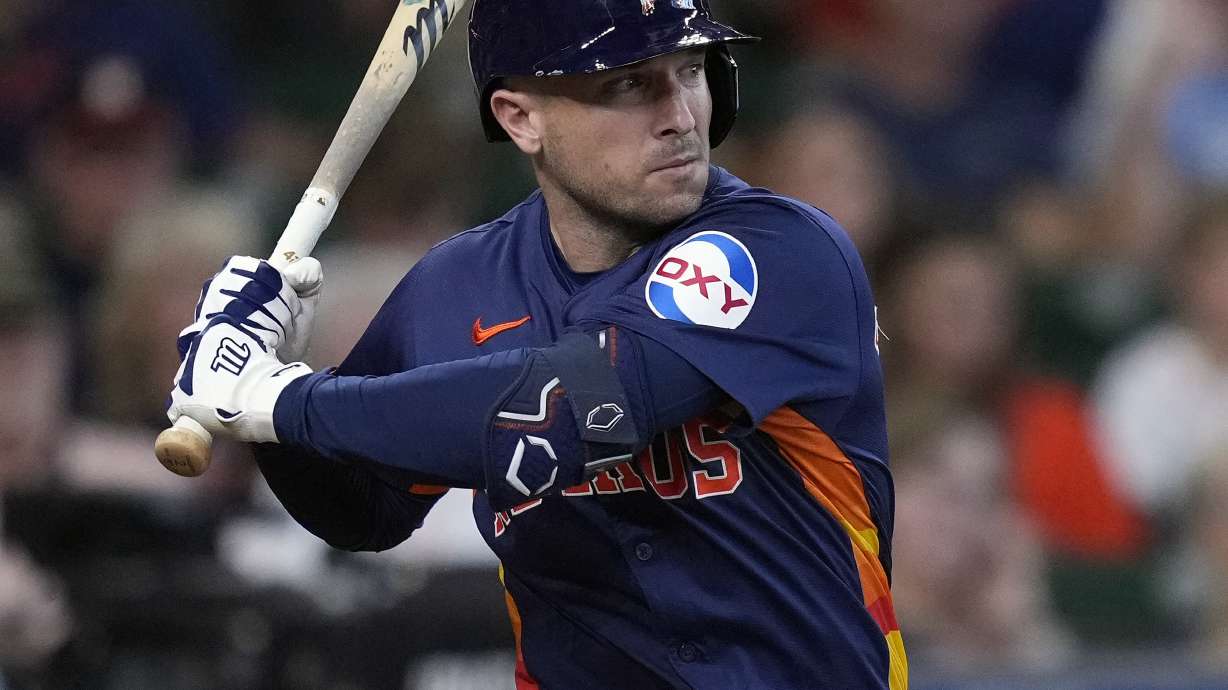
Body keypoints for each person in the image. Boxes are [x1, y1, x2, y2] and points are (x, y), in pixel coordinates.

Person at [164, 1, 907, 687]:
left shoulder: (782, 250)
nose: (682, 117)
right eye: (628, 85)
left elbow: (577, 407)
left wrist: (280, 400)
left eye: (689, 72)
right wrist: (266, 392)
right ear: (521, 119)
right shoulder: (457, 286)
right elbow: (363, 511)